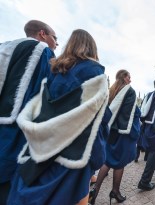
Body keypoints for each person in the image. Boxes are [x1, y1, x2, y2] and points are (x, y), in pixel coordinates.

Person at [7, 29, 110, 205]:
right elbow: (99, 121)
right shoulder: (94, 72)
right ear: (92, 48)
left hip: (44, 148)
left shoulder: (55, 71)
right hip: (74, 152)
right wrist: (96, 159)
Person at [0, 20, 57, 204]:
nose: (56, 43)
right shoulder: (43, 52)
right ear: (42, 34)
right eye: (55, 38)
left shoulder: (6, 47)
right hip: (17, 134)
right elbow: (47, 98)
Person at [90, 70, 140, 204]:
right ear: (124, 77)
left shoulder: (112, 90)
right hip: (122, 133)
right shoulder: (129, 91)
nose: (131, 79)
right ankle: (115, 191)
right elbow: (130, 113)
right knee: (120, 162)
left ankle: (94, 191)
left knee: (108, 161)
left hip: (111, 131)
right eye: (129, 76)